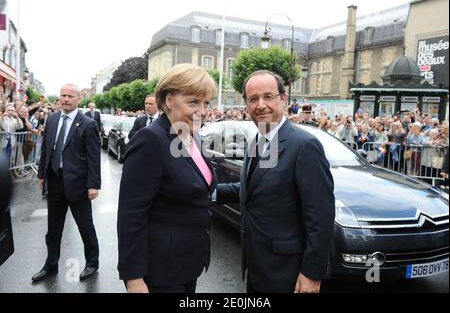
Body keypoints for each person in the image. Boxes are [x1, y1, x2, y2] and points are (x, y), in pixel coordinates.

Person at [216, 70, 335, 293]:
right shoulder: (257, 140)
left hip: (287, 273)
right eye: (253, 99)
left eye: (268, 96)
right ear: (246, 104)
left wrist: (311, 274)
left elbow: (320, 216)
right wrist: (208, 192)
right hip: (257, 266)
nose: (261, 105)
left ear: (283, 99)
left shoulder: (304, 146)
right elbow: (254, 190)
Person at [117, 64, 218, 293]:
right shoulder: (150, 140)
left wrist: (252, 186)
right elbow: (131, 214)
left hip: (188, 263)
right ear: (169, 100)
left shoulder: (191, 135)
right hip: (161, 271)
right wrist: (133, 278)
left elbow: (200, 189)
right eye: (193, 102)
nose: (202, 111)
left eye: (206, 103)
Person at [32, 84, 101, 283]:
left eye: (70, 96)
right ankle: (50, 265)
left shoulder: (87, 124)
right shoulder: (52, 119)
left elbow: (93, 157)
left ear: (78, 99)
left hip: (78, 185)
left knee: (85, 227)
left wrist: (93, 185)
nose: (66, 99)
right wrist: (42, 175)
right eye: (63, 95)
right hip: (55, 182)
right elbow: (46, 148)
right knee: (53, 229)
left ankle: (92, 263)